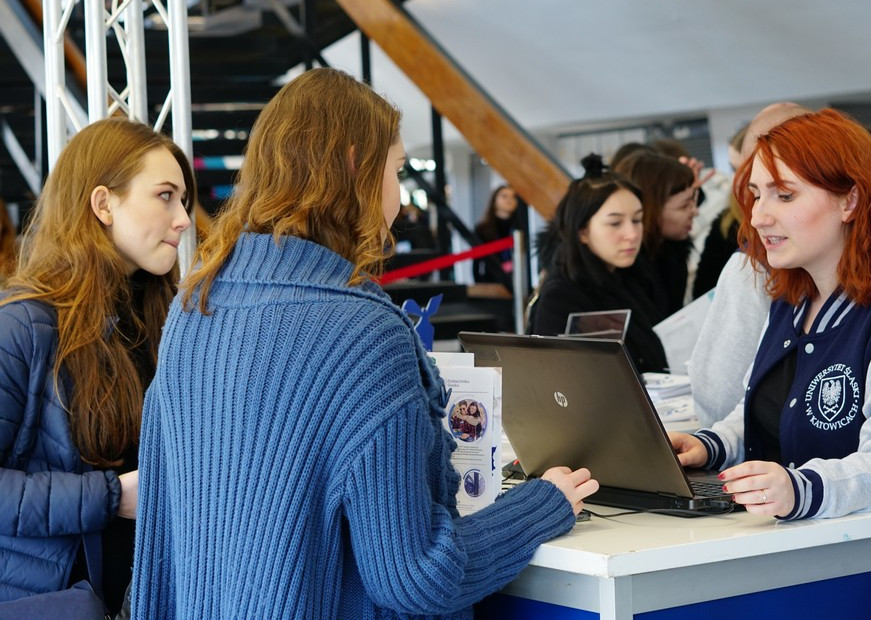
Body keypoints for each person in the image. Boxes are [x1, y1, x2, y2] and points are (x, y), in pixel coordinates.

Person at [131, 67, 598, 619]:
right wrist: (542, 504)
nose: (399, 198)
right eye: (396, 171)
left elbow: (159, 549)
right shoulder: (364, 335)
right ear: (356, 165)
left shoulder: (192, 308)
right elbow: (413, 577)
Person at [670, 109, 871, 619]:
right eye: (757, 194)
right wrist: (713, 445)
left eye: (785, 194)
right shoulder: (793, 299)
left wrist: (801, 488)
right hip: (827, 577)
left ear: (851, 199)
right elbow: (774, 405)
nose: (758, 216)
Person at [0, 118, 193, 615]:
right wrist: (110, 496)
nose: (184, 220)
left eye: (184, 202)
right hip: (56, 600)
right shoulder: (23, 327)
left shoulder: (163, 322)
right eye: (166, 196)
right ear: (103, 203)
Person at [530, 154, 669, 372]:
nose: (632, 234)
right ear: (582, 231)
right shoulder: (562, 297)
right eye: (615, 223)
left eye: (637, 220)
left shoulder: (632, 276)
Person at [613, 150, 697, 315]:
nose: (695, 211)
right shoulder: (626, 271)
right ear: (650, 211)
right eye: (684, 206)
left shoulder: (671, 254)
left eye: (693, 201)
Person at [692, 124, 748, 298]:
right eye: (733, 169)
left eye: (747, 169)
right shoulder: (725, 224)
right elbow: (703, 296)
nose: (737, 180)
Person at [473, 184, 525, 284]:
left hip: (517, 280)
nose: (509, 200)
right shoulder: (482, 228)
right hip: (490, 281)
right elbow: (476, 261)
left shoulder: (520, 228)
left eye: (513, 197)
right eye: (504, 196)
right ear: (494, 200)